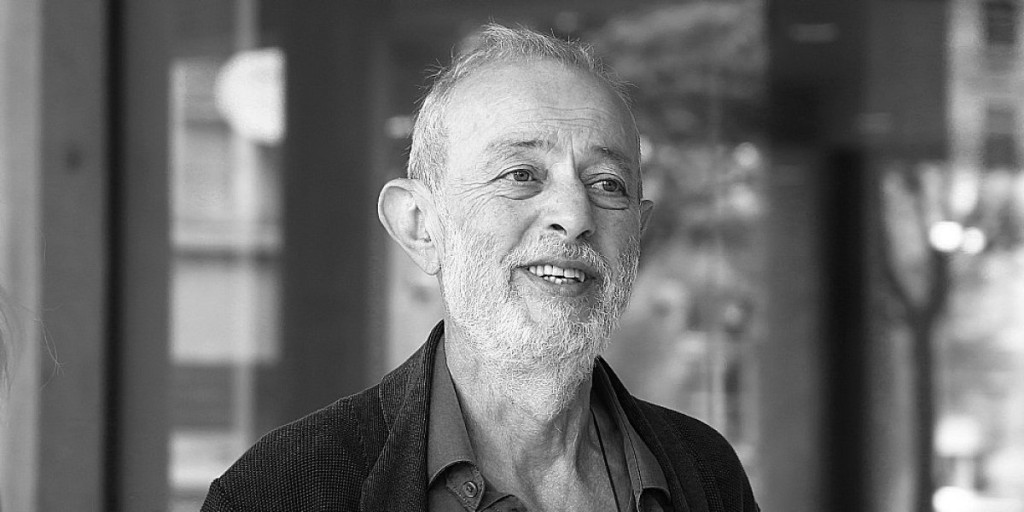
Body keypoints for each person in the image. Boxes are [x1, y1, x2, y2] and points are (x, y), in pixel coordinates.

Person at [202, 24, 759, 512]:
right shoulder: (282, 491)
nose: (574, 216)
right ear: (420, 226)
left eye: (608, 184)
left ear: (637, 230)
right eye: (521, 175)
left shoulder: (707, 473)